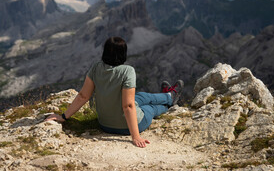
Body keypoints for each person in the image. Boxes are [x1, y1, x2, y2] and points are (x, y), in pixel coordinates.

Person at [45, 37, 183, 148]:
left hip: (104, 124)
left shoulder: (96, 68)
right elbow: (128, 106)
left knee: (140, 96)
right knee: (150, 108)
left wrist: (63, 116)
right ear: (123, 53)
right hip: (129, 126)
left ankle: (169, 96)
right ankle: (169, 103)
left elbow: (83, 96)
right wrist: (135, 136)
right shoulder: (127, 71)